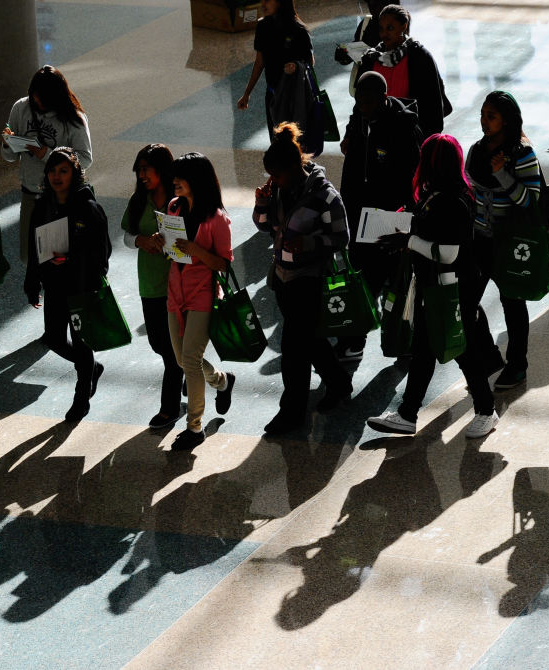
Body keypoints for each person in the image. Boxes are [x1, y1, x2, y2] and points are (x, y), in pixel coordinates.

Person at [366, 134, 499, 439]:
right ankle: (408, 414)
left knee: (462, 350)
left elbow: (449, 252)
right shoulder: (440, 194)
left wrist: (408, 241)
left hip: (454, 289)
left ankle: (486, 410)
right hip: (441, 287)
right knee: (427, 349)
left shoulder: (452, 201)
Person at [253, 122, 351, 435]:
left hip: (309, 277)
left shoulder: (324, 195)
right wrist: (262, 203)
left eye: (277, 175)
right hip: (283, 277)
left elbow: (341, 237)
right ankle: (338, 382)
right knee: (310, 339)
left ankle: (292, 411)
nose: (273, 181)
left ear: (295, 168)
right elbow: (264, 226)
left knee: (293, 347)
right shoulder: (279, 189)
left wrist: (309, 244)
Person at [336, 70, 422, 362]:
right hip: (359, 212)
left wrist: (402, 216)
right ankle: (355, 340)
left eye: (370, 102)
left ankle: (401, 339)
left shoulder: (402, 126)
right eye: (359, 101)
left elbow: (412, 175)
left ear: (384, 99)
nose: (363, 107)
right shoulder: (359, 115)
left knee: (390, 281)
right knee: (362, 277)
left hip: (388, 216)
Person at [464, 91, 543, 390]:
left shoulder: (522, 154)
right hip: (479, 239)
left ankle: (517, 366)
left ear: (507, 120)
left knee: (512, 303)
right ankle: (488, 360)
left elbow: (529, 201)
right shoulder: (476, 149)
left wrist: (502, 175)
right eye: (483, 115)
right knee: (467, 299)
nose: (484, 122)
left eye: (491, 116)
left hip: (509, 242)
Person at [24, 148, 109, 422]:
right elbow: (34, 245)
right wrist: (32, 280)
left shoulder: (88, 207)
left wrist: (72, 260)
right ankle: (91, 368)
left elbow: (102, 250)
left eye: (63, 171)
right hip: (54, 283)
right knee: (55, 339)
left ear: (74, 173)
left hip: (80, 285)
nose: (57, 177)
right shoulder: (43, 205)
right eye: (52, 171)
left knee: (82, 343)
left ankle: (81, 396)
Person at [165, 152, 235, 451]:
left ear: (198, 180)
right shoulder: (173, 207)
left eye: (181, 177)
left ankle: (194, 427)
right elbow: (173, 247)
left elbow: (224, 263)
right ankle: (221, 381)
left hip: (203, 294)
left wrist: (196, 249)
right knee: (182, 358)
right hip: (175, 291)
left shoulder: (216, 218)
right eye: (175, 176)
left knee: (189, 361)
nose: (175, 182)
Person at [2, 65, 93, 265]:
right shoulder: (21, 108)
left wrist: (45, 154)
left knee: (59, 255)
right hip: (31, 191)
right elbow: (8, 157)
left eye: (43, 98)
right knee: (29, 256)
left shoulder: (74, 119)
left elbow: (85, 159)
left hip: (62, 196)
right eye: (35, 96)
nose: (37, 102)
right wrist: (8, 144)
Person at [120, 144, 183, 428]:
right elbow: (125, 235)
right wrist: (142, 241)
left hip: (178, 284)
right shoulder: (138, 201)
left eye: (147, 169)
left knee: (172, 352)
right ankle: (215, 378)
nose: (142, 175)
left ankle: (169, 408)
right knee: (160, 343)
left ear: (162, 169)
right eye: (139, 170)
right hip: (149, 284)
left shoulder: (179, 199)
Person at [355, 4, 451, 136]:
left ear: (404, 26)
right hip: (376, 136)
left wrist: (429, 141)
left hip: (410, 138)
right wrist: (351, 134)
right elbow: (360, 103)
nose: (384, 34)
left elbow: (432, 105)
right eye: (381, 29)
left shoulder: (420, 58)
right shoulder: (371, 59)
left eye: (390, 28)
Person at [236, 0, 314, 141]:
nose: (263, 3)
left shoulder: (298, 30)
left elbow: (310, 61)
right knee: (276, 141)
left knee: (295, 143)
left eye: (268, 0)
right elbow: (260, 62)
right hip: (273, 95)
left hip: (294, 97)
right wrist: (247, 93)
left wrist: (296, 66)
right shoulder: (262, 26)